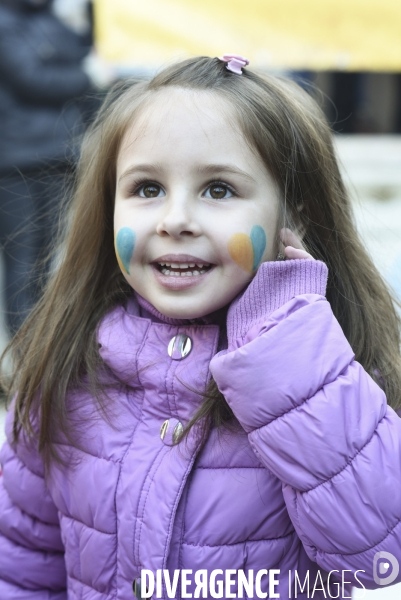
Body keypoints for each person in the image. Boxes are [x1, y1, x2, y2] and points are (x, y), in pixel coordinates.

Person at [0, 55, 401, 599]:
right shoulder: (69, 368)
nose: (174, 220)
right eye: (146, 189)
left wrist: (288, 356)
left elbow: (381, 557)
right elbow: (21, 569)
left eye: (217, 190)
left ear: (295, 215)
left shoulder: (333, 374)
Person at [0, 0, 93, 335]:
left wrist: (86, 16)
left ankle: (39, 351)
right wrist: (86, 77)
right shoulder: (4, 22)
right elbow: (32, 78)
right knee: (23, 259)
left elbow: (84, 49)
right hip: (15, 162)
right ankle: (24, 361)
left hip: (58, 155)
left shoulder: (52, 18)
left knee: (46, 261)